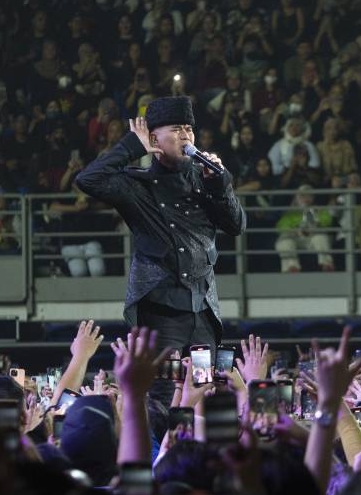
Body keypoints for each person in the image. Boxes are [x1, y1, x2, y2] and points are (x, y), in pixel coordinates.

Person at [76, 96, 246, 352]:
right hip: (160, 311)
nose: (186, 135)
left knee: (205, 377)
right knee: (165, 378)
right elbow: (87, 179)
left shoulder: (205, 179)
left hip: (202, 308)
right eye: (176, 129)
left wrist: (220, 187)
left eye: (188, 128)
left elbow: (236, 226)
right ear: (154, 140)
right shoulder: (137, 185)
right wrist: (132, 146)